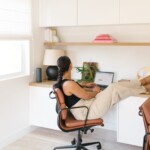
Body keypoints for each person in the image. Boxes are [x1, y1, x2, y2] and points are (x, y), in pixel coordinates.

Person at [55, 56, 150, 120]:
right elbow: (87, 96)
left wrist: (84, 85)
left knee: (116, 85)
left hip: (86, 107)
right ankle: (144, 87)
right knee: (113, 88)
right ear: (71, 66)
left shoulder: (64, 82)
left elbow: (72, 91)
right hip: (86, 112)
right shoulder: (68, 84)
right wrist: (97, 91)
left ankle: (142, 83)